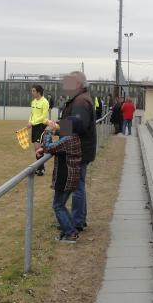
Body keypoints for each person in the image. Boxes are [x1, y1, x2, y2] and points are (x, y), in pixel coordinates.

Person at [60, 71, 96, 232]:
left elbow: (79, 125)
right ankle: (79, 219)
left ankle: (77, 222)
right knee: (78, 185)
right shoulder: (81, 98)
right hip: (81, 148)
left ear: (78, 84)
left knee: (77, 186)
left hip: (80, 150)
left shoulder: (81, 101)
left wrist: (59, 127)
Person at [37, 117, 83, 243]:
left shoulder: (68, 139)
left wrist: (48, 131)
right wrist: (52, 132)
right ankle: (70, 230)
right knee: (60, 205)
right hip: (70, 177)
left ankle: (70, 233)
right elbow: (56, 147)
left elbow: (49, 147)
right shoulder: (72, 137)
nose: (60, 127)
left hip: (65, 177)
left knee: (57, 206)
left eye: (64, 125)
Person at [28, 85, 50, 176]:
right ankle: (40, 167)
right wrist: (30, 121)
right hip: (34, 126)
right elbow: (32, 114)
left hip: (41, 126)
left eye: (33, 91)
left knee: (38, 148)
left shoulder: (45, 102)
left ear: (38, 92)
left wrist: (33, 122)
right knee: (36, 148)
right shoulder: (33, 102)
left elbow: (44, 116)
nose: (32, 92)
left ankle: (41, 169)